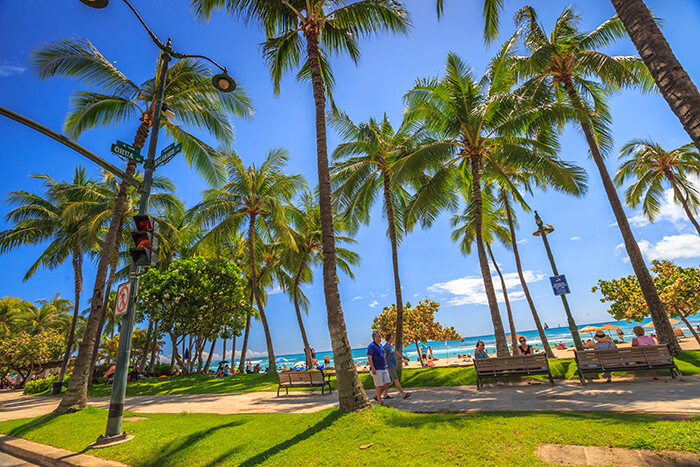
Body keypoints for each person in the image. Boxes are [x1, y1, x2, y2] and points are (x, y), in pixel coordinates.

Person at [381, 333, 412, 400]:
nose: (393, 339)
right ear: (389, 339)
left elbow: (396, 353)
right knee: (396, 379)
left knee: (388, 381)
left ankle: (384, 394)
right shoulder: (386, 347)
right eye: (392, 338)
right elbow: (384, 356)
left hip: (393, 365)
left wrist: (404, 357)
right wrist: (386, 365)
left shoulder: (391, 346)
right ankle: (403, 394)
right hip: (390, 366)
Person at [367, 330, 391, 406]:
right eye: (379, 336)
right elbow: (370, 358)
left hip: (383, 367)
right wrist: (372, 368)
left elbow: (383, 356)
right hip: (376, 368)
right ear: (375, 337)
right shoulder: (372, 346)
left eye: (380, 336)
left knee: (388, 382)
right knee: (379, 385)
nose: (381, 337)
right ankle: (380, 402)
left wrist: (386, 365)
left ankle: (377, 396)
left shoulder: (380, 345)